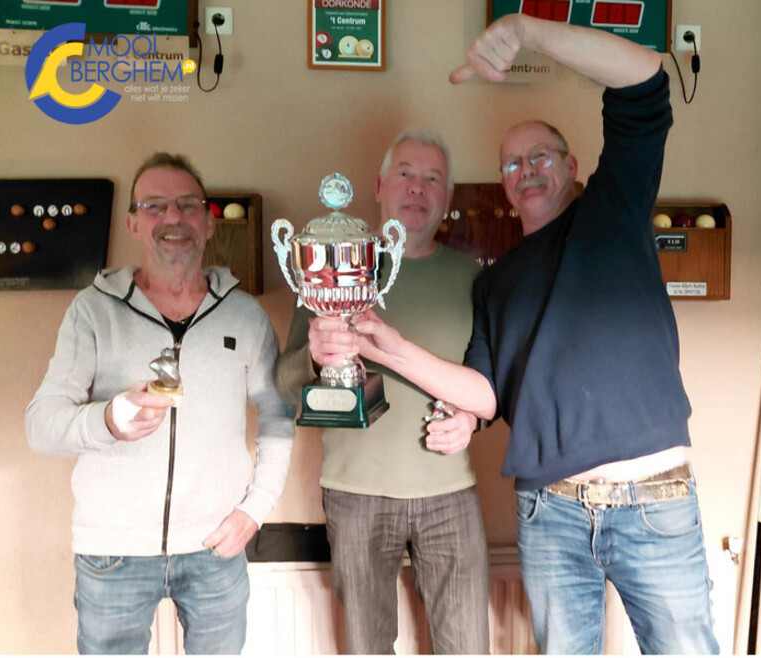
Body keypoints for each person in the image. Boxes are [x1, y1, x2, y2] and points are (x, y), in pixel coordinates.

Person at [309, 16, 721, 656]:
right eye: (511, 163)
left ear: (572, 165)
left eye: (540, 157)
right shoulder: (494, 283)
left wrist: (529, 31)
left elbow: (644, 78)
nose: (526, 169)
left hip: (653, 498)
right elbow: (485, 394)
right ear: (502, 184)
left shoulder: (613, 210)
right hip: (550, 514)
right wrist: (393, 348)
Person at [25, 153, 294, 655]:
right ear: (133, 223)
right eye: (154, 205)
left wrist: (255, 510)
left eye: (188, 205)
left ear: (209, 223)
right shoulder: (93, 311)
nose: (173, 217)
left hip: (216, 548)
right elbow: (42, 425)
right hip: (112, 554)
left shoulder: (246, 316)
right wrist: (109, 420)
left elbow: (278, 418)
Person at [275, 130, 490, 654]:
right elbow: (283, 384)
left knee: (468, 648)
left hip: (449, 492)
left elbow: (490, 383)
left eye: (433, 179)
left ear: (447, 196)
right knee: (366, 648)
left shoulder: (473, 277)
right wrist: (315, 357)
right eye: (405, 174)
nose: (418, 187)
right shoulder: (330, 266)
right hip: (355, 495)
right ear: (379, 186)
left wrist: (472, 420)